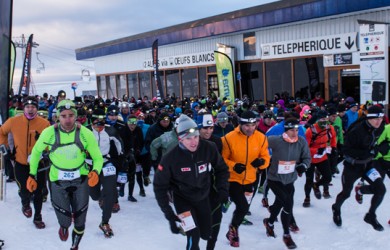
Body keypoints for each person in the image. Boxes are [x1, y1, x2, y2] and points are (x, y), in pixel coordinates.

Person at [26, 100, 103, 250]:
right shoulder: (49, 133)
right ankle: (64, 226)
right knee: (65, 220)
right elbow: (36, 152)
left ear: (76, 116)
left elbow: (97, 157)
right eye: (63, 116)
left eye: (70, 115)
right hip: (57, 180)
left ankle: (75, 245)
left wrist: (95, 171)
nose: (67, 120)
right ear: (57, 117)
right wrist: (32, 174)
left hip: (80, 179)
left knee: (80, 220)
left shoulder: (85, 133)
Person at [154, 116, 229, 250]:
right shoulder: (170, 158)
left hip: (202, 197)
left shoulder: (209, 147)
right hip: (183, 200)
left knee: (206, 234)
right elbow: (159, 186)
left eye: (195, 137)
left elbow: (222, 169)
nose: (193, 142)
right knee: (193, 236)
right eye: (188, 138)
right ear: (180, 139)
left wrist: (222, 189)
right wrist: (169, 214)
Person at [332, 105, 387, 231]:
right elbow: (345, 150)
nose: (379, 122)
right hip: (352, 167)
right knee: (346, 194)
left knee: (381, 189)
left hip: (368, 165)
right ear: (368, 118)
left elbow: (378, 144)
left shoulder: (381, 127)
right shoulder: (356, 130)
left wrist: (380, 148)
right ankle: (336, 208)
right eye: (376, 119)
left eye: (381, 118)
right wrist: (366, 153)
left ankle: (370, 215)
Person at [0, 96, 50, 229]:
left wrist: (46, 151)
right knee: (23, 189)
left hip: (38, 163)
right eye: (28, 107)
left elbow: (51, 141)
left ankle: (38, 217)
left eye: (33, 107)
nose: (30, 109)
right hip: (20, 161)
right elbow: (1, 132)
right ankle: (25, 203)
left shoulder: (44, 123)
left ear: (37, 108)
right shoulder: (13, 121)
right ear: (24, 108)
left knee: (38, 191)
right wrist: (5, 148)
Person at [222, 110, 270, 247]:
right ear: (240, 124)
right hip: (233, 179)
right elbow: (222, 159)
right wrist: (233, 166)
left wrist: (262, 162)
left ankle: (232, 227)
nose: (250, 128)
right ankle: (234, 229)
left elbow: (266, 157)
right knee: (242, 206)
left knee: (244, 206)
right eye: (247, 126)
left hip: (251, 178)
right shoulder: (228, 138)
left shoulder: (261, 138)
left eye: (253, 125)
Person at [263, 118, 311, 249]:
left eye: (297, 130)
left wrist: (304, 166)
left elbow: (307, 157)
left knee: (279, 203)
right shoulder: (275, 140)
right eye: (292, 130)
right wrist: (263, 159)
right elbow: (258, 144)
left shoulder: (301, 142)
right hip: (275, 179)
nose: (295, 133)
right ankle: (286, 234)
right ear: (286, 130)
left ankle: (270, 222)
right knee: (287, 203)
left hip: (290, 179)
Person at [87, 109, 123, 237]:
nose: (99, 124)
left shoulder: (110, 130)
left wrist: (122, 162)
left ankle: (105, 222)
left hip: (106, 163)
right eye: (96, 121)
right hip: (90, 164)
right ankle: (100, 197)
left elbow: (120, 146)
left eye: (102, 121)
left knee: (110, 192)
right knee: (94, 195)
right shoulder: (84, 131)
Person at [303, 110, 336, 207]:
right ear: (317, 120)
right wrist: (316, 150)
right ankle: (307, 197)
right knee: (309, 179)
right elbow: (305, 147)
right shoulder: (310, 130)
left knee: (328, 177)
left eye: (325, 118)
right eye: (322, 119)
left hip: (323, 157)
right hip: (310, 158)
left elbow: (333, 138)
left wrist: (333, 147)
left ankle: (316, 185)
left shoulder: (330, 128)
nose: (324, 121)